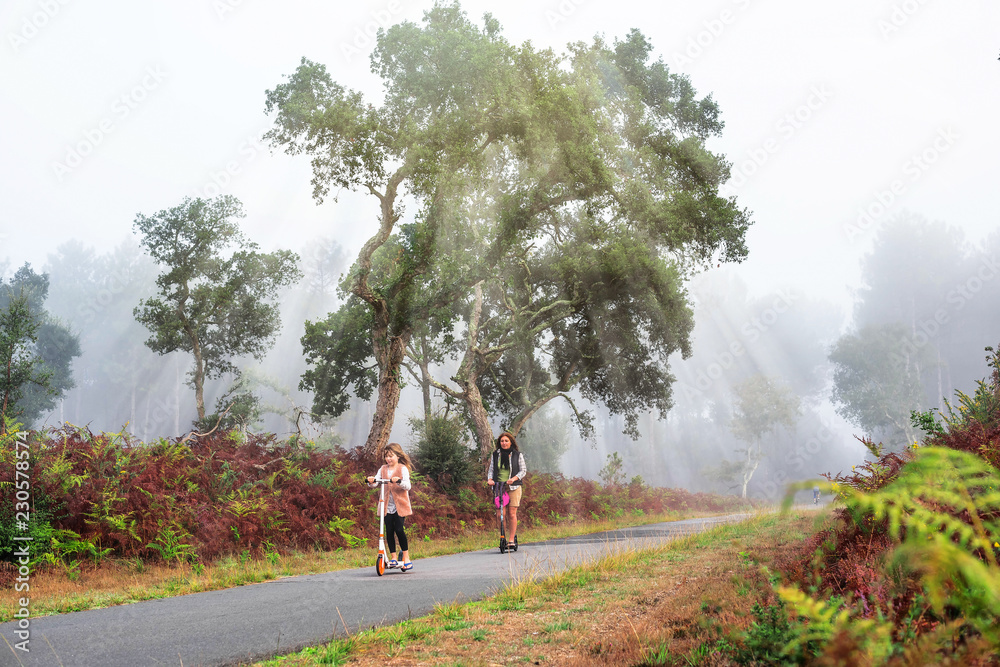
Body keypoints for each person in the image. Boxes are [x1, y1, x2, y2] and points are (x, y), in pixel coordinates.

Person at [366, 442, 414, 571]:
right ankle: (393, 557)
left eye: (391, 456)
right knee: (389, 531)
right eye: (386, 456)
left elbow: (407, 486)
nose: (388, 459)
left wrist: (398, 481)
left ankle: (406, 557)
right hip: (386, 505)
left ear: (398, 456)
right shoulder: (382, 469)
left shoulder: (402, 468)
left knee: (399, 529)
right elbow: (376, 482)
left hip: (400, 505)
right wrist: (371, 481)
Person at [486, 431, 527, 549]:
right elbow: (491, 470)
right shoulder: (495, 455)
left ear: (511, 442)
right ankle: (502, 535)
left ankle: (511, 539)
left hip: (513, 487)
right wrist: (490, 479)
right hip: (499, 487)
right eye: (502, 441)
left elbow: (523, 470)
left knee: (512, 513)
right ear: (499, 443)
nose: (504, 443)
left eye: (506, 441)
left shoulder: (517, 455)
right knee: (500, 514)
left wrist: (513, 479)